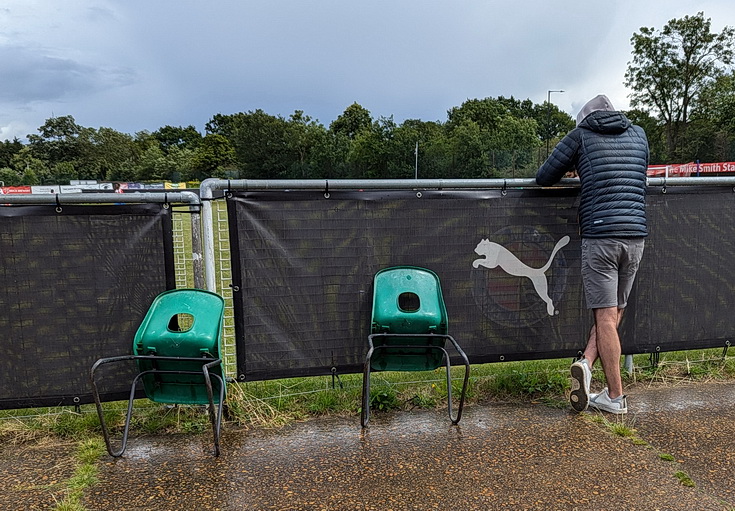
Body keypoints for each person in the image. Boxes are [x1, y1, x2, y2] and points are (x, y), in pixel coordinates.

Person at [536, 94, 649, 415]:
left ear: (584, 119)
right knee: (615, 312)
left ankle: (615, 397)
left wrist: (578, 168)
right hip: (636, 233)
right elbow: (637, 179)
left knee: (604, 315)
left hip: (601, 235)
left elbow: (544, 177)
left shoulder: (581, 136)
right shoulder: (639, 134)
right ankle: (586, 362)